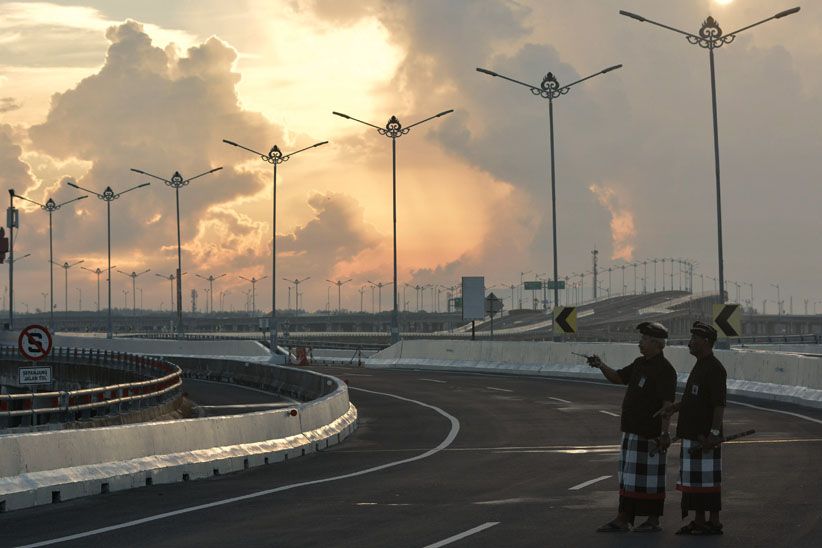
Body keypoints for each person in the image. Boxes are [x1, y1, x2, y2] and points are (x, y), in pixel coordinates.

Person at [588, 321, 677, 533]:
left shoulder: (665, 370)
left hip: (650, 433)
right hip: (631, 431)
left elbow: (667, 405)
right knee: (628, 477)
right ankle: (625, 517)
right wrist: (600, 365)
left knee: (651, 479)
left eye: (644, 339)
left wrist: (665, 433)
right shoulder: (639, 363)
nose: (640, 343)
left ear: (657, 343)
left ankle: (649, 519)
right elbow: (618, 377)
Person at [658, 321, 727, 535]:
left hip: (705, 438)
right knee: (695, 484)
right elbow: (692, 398)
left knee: (708, 483)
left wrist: (714, 434)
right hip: (691, 435)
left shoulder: (715, 369)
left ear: (705, 342)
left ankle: (713, 522)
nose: (690, 344)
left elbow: (718, 404)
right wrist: (674, 408)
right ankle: (699, 520)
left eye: (694, 340)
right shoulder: (699, 365)